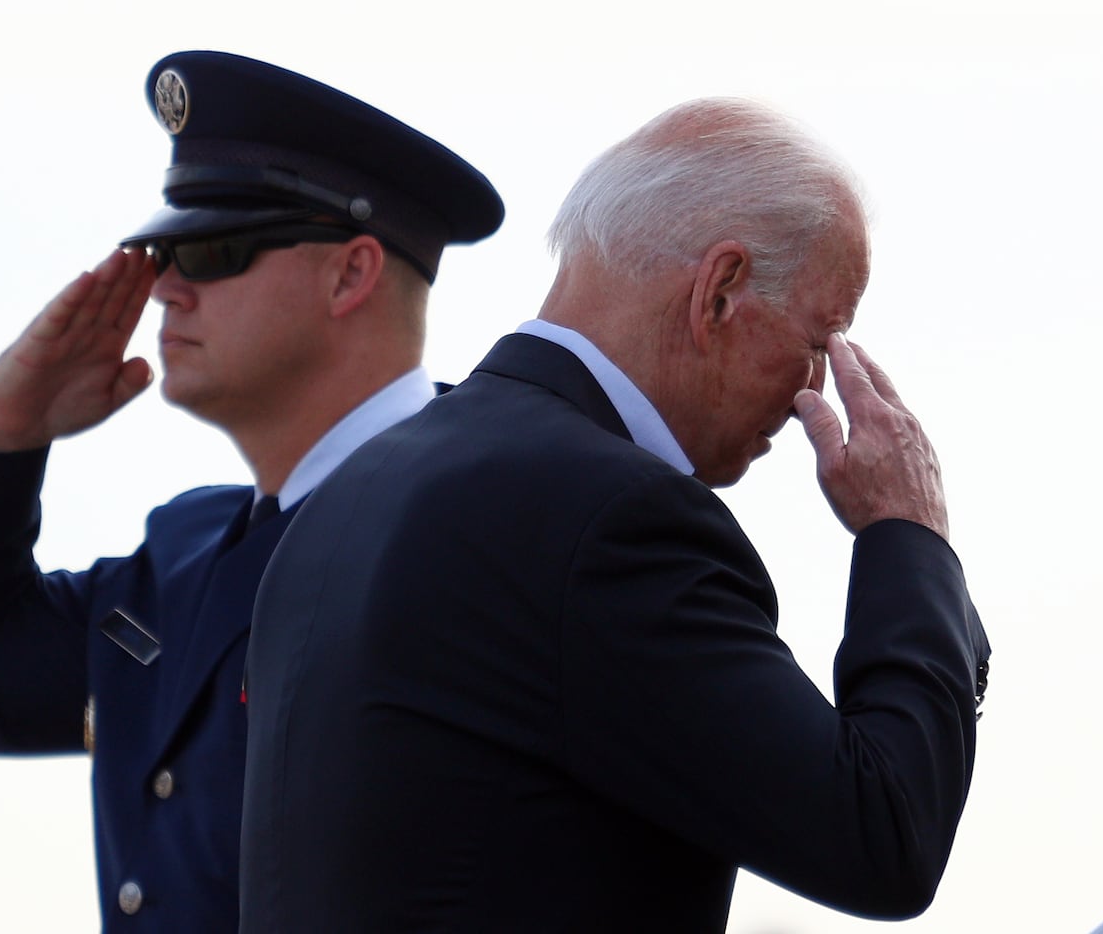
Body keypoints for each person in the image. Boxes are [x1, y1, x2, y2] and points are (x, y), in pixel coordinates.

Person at [240, 97, 991, 931]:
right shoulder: (613, 520)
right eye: (821, 341)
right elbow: (883, 835)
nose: (814, 391)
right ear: (721, 290)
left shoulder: (351, 491)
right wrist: (908, 538)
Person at [0, 50, 503, 930]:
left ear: (351, 275)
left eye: (211, 250)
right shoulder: (185, 562)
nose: (164, 289)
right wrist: (3, 428)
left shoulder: (498, 520)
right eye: (164, 252)